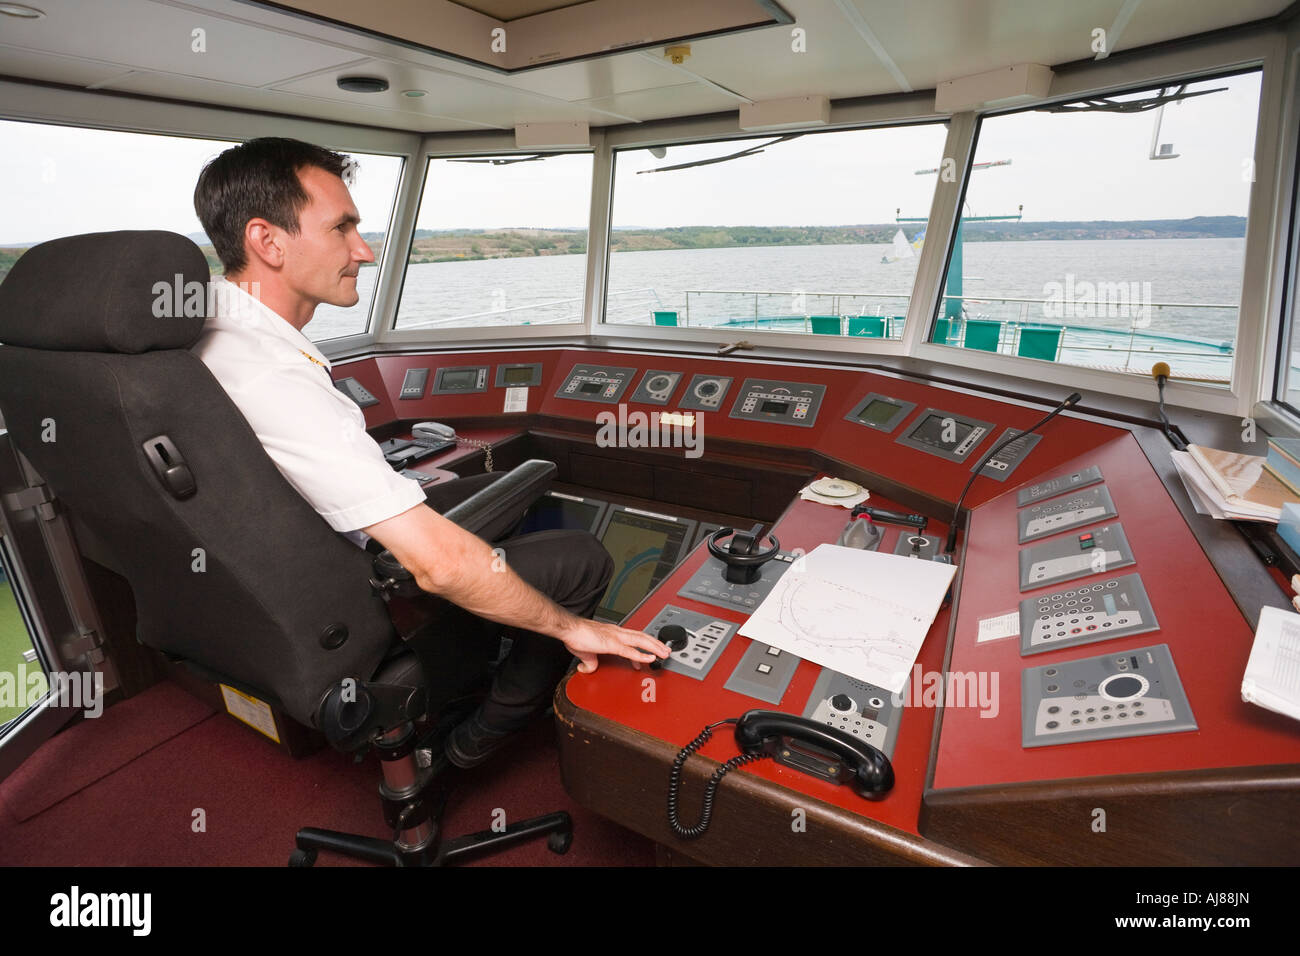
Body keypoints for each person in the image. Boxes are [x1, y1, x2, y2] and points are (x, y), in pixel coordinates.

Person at [191, 137, 668, 767]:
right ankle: (474, 743)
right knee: (577, 557)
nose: (362, 251)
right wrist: (572, 628)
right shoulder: (270, 373)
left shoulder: (210, 330)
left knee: (491, 496)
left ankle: (486, 637)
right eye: (343, 228)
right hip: (344, 595)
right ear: (268, 241)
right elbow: (437, 566)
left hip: (277, 570)